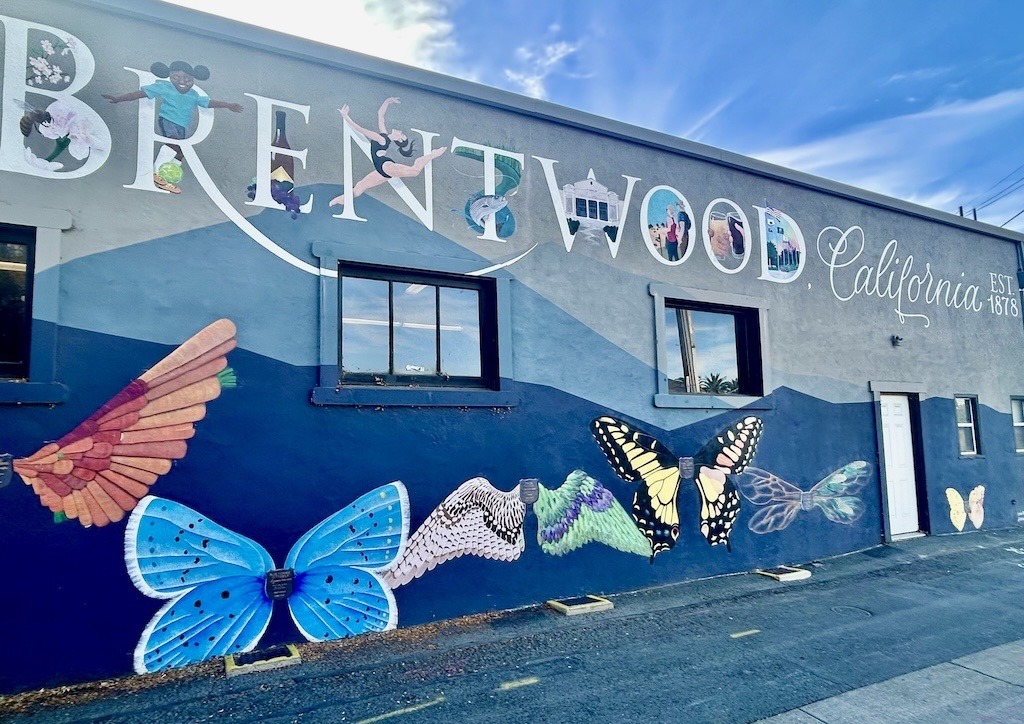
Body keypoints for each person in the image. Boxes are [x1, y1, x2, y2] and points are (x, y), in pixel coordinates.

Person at [104, 61, 243, 193]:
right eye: (176, 77)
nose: (182, 82)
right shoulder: (164, 88)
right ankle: (157, 174)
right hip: (168, 120)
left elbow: (209, 103)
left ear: (193, 78)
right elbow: (139, 94)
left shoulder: (194, 95)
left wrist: (228, 105)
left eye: (187, 79)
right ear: (170, 76)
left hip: (182, 126)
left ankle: (166, 178)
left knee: (180, 153)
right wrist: (118, 99)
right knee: (173, 144)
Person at [329, 97, 447, 207]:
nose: (400, 131)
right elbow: (380, 115)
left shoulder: (381, 139)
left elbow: (360, 129)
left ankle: (433, 154)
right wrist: (388, 101)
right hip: (381, 170)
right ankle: (341, 199)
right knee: (360, 186)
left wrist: (346, 117)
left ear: (399, 139)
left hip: (385, 166)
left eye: (401, 134)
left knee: (414, 170)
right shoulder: (385, 136)